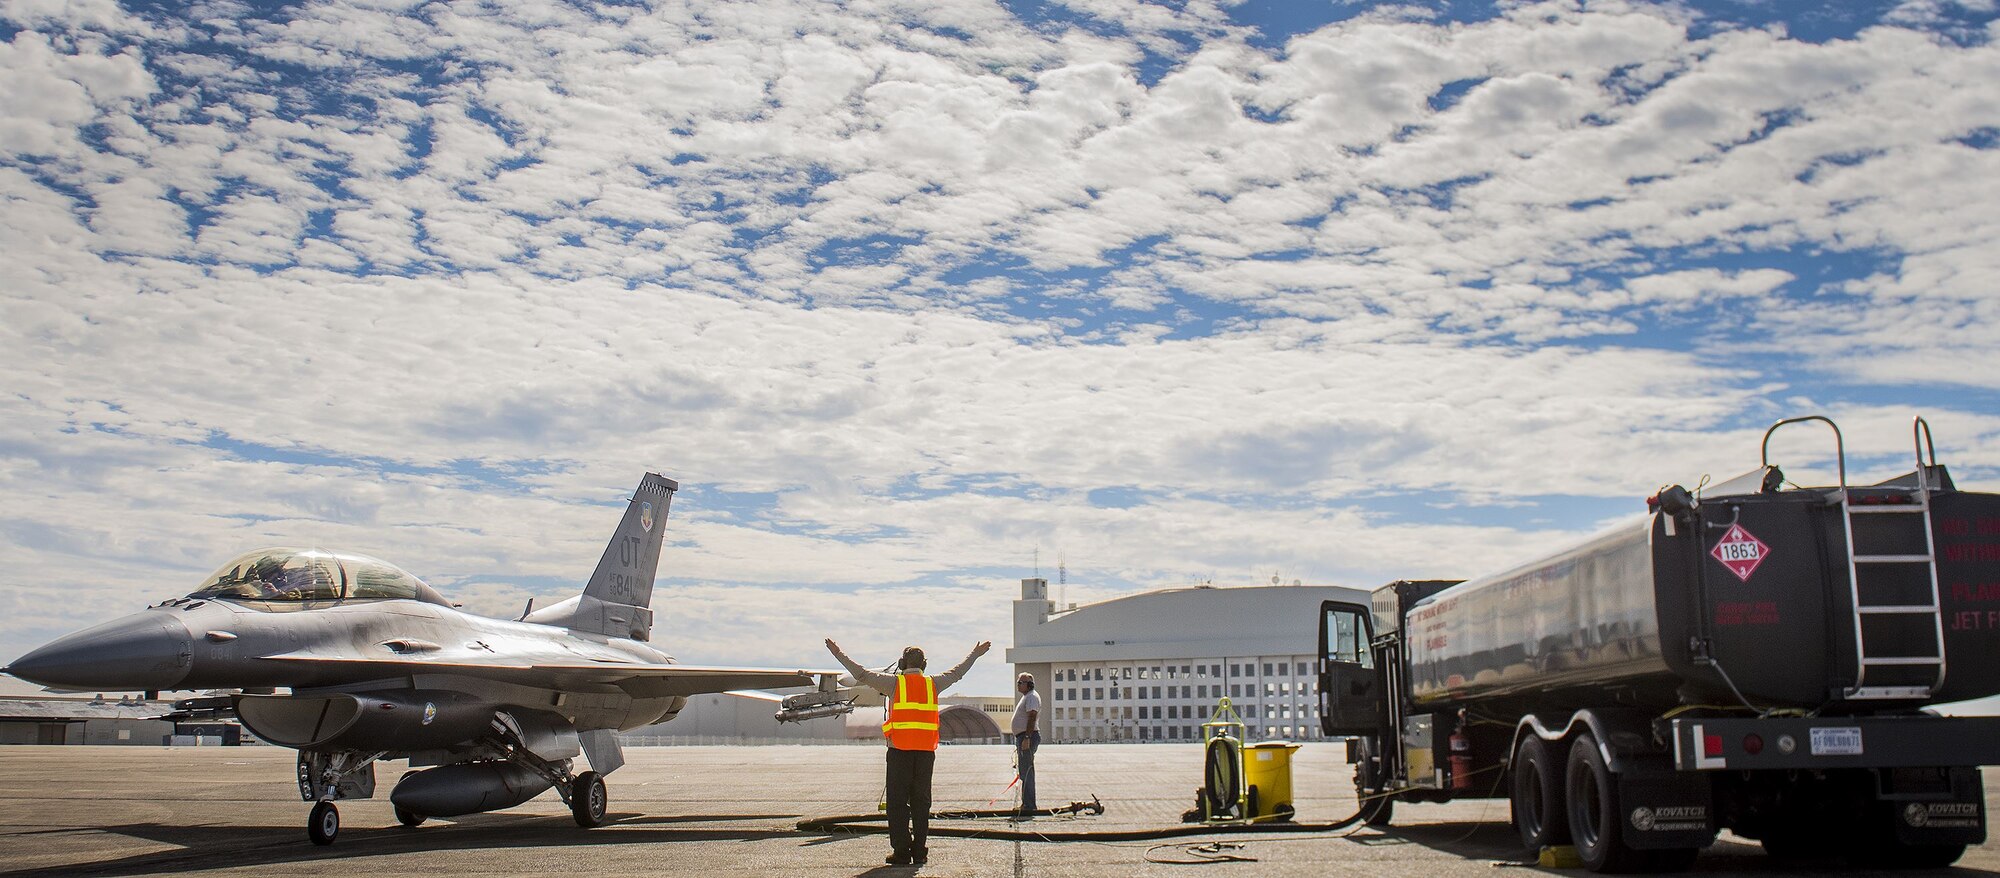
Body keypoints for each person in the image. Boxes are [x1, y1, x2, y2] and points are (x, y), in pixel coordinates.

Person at [826, 638, 990, 867]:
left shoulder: (894, 684)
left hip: (899, 751)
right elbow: (957, 673)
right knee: (921, 803)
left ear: (902, 664)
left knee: (897, 804)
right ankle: (920, 851)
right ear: (924, 665)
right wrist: (975, 654)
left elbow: (861, 674)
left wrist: (837, 652)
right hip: (925, 752)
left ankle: (902, 852)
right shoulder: (933, 683)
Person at [1010, 672, 1041, 819]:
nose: (1018, 685)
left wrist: (1027, 737)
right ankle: (1027, 803)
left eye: (1020, 682)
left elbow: (1032, 716)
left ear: (1029, 684)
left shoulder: (1032, 697)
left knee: (1027, 771)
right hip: (1023, 736)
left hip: (1027, 736)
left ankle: (1029, 805)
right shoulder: (1027, 697)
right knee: (1024, 771)